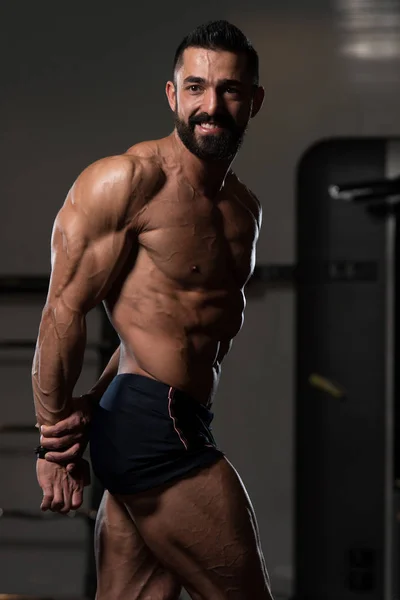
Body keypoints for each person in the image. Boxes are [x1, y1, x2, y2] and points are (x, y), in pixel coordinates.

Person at [33, 19, 273, 600]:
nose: (210, 105)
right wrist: (53, 440)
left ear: (253, 102)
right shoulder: (128, 181)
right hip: (152, 429)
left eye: (229, 91)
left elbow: (168, 326)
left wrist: (94, 400)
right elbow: (62, 311)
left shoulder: (244, 209)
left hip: (163, 414)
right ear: (172, 95)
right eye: (195, 88)